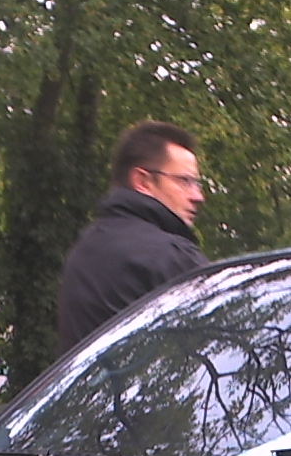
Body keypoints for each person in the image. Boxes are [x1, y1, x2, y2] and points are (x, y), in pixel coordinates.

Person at [55, 121, 207, 354]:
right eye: (185, 181)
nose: (198, 196)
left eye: (196, 183)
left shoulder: (83, 252)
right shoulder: (170, 256)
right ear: (143, 181)